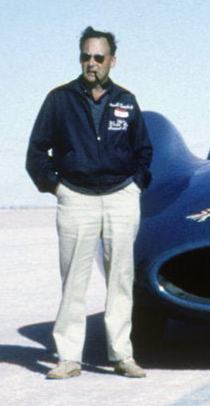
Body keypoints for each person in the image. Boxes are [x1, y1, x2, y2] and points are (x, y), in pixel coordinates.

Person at [26, 27, 153, 379]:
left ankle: (121, 355)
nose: (91, 64)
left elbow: (143, 150)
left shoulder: (126, 101)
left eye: (99, 57)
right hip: (76, 198)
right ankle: (68, 357)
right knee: (74, 281)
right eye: (86, 57)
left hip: (120, 197)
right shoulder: (59, 100)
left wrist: (136, 185)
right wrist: (57, 187)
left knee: (121, 279)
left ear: (112, 60)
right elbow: (36, 152)